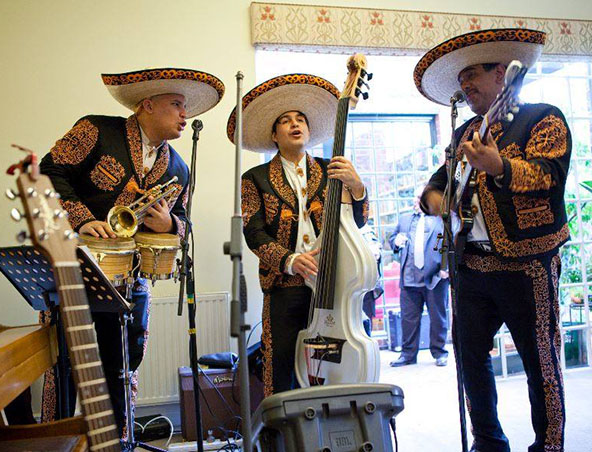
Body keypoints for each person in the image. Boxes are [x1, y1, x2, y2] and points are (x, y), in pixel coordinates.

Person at [39, 67, 224, 435]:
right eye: (176, 104)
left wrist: (169, 225)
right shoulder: (95, 130)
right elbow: (49, 171)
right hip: (75, 270)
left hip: (131, 283)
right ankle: (56, 438)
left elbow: (184, 221)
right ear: (147, 105)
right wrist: (82, 219)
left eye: (186, 106)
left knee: (121, 366)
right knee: (63, 364)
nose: (185, 114)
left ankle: (118, 440)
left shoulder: (179, 169)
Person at [415, 29, 570, 452]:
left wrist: (500, 165)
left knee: (542, 362)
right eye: (461, 79)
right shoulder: (465, 129)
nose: (465, 85)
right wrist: (433, 197)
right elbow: (441, 179)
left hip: (527, 262)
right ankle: (488, 443)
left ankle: (548, 445)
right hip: (472, 265)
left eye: (473, 75)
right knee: (470, 360)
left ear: (502, 73)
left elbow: (549, 176)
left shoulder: (543, 117)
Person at [227, 74, 369, 396]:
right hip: (285, 287)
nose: (296, 124)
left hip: (331, 285)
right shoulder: (255, 178)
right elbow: (254, 231)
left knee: (328, 365)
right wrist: (290, 260)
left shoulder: (331, 169)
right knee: (282, 368)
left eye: (301, 119)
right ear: (274, 135)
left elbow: (355, 223)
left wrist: (358, 187)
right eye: (286, 121)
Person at [388, 191, 449, 367]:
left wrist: (445, 268)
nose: (417, 201)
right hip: (409, 278)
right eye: (416, 198)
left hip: (434, 277)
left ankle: (440, 353)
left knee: (438, 317)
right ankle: (408, 354)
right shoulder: (405, 219)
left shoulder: (439, 219)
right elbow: (392, 240)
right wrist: (395, 241)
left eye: (421, 198)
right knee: (408, 319)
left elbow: (445, 243)